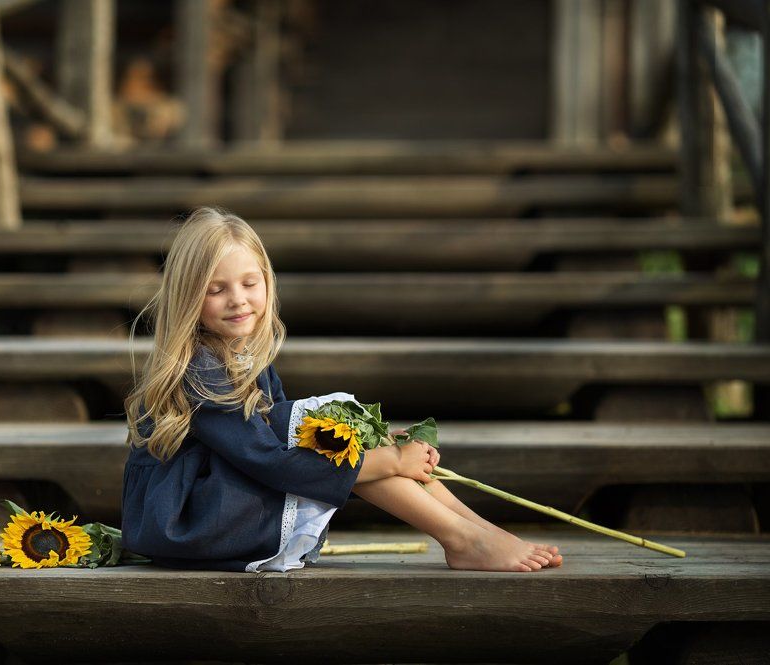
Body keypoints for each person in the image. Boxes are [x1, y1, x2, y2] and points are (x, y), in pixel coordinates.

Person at [122, 206, 563, 573]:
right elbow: (269, 460)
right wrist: (388, 460)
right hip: (191, 521)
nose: (238, 298)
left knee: (345, 434)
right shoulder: (201, 369)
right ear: (187, 298)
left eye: (249, 283)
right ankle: (463, 539)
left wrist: (381, 446)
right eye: (216, 290)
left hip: (227, 500)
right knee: (336, 433)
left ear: (267, 282)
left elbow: (284, 441)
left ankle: (478, 531)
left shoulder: (245, 355)